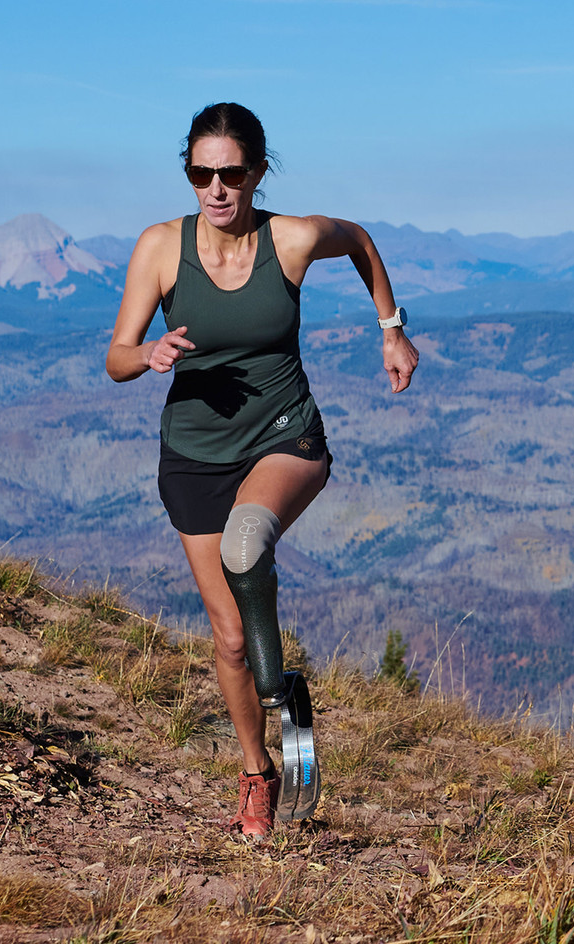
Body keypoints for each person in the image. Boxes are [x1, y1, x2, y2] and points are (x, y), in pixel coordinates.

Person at [105, 102, 418, 840]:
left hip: (285, 436)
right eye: (200, 173)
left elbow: (361, 241)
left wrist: (392, 330)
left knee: (247, 543)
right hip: (193, 457)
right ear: (189, 173)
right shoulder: (159, 247)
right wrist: (145, 358)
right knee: (231, 638)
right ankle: (258, 771)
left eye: (231, 173)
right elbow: (116, 356)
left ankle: (282, 690)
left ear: (257, 172)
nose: (216, 188)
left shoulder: (293, 239)